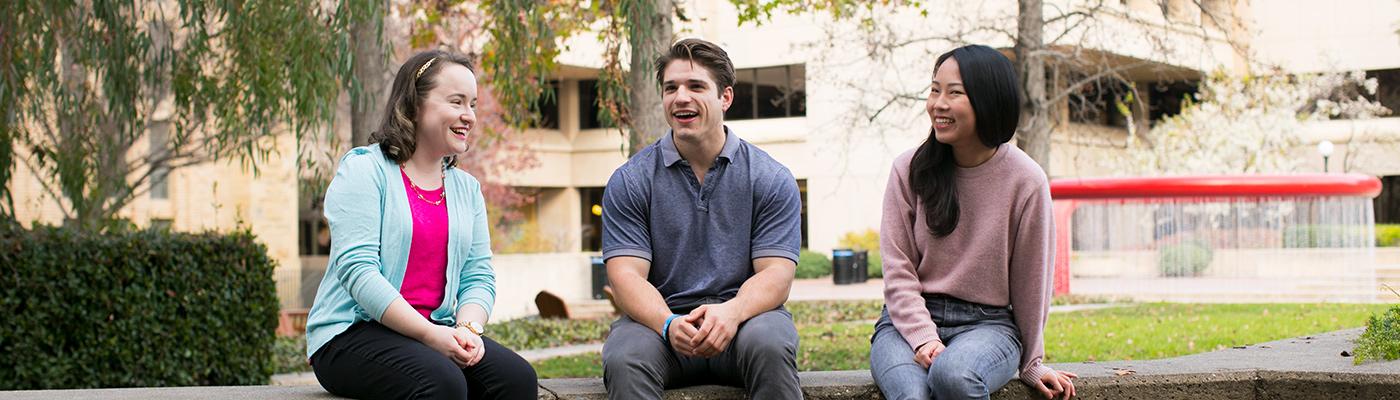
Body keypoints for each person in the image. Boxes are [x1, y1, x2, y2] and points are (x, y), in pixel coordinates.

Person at [304, 49, 537, 400]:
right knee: (442, 383)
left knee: (517, 380)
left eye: (473, 104)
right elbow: (358, 271)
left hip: (435, 331)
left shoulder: (466, 189)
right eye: (457, 102)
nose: (469, 116)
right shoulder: (364, 171)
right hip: (351, 334)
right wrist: (430, 335)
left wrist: (468, 329)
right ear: (414, 105)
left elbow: (478, 274)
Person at [598, 38, 805, 400]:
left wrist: (733, 312)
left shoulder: (770, 178)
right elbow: (625, 276)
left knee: (771, 343)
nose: (681, 97)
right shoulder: (631, 180)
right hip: (660, 326)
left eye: (696, 86)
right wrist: (667, 323)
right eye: (671, 88)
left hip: (746, 321)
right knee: (624, 357)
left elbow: (777, 274)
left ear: (725, 97)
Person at [870, 44, 1078, 400]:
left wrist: (1031, 361)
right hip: (906, 322)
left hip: (989, 325)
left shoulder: (1026, 179)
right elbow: (898, 268)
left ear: (988, 100)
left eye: (954, 93)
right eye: (935, 90)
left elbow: (1032, 281)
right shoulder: (908, 170)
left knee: (954, 376)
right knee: (912, 394)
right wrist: (923, 335)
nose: (938, 103)